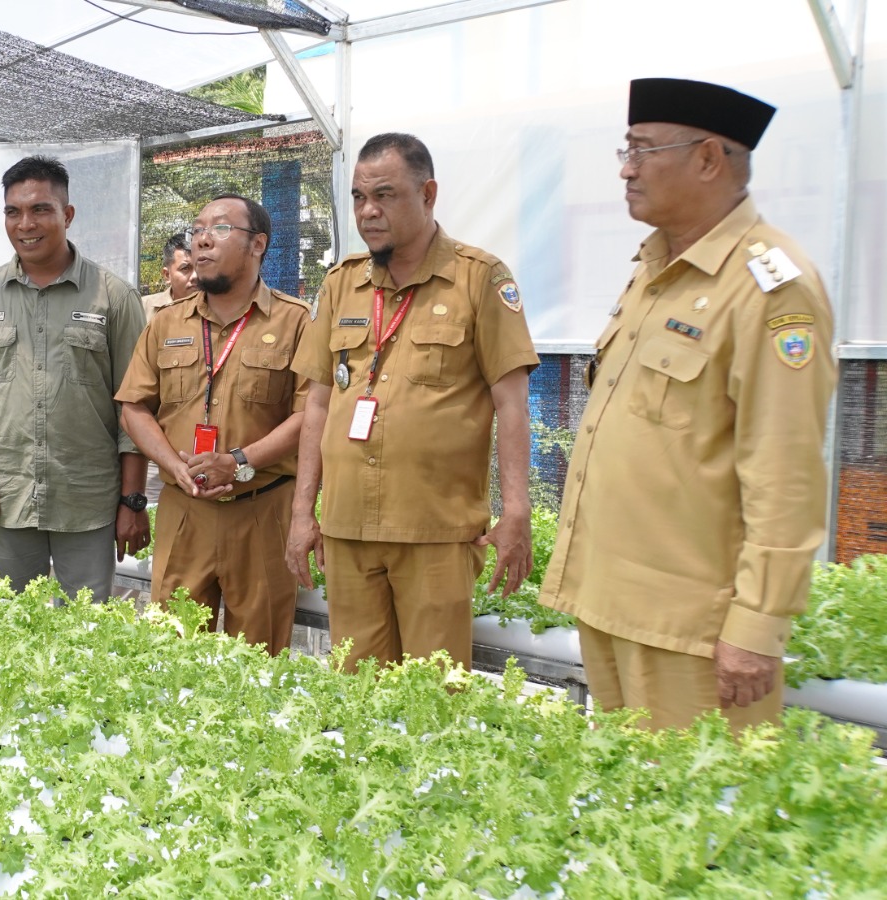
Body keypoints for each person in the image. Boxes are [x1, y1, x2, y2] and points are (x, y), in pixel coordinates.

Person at [538, 79, 836, 731]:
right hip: (614, 606)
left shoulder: (771, 286)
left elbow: (785, 473)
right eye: (626, 149)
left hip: (692, 632)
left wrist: (756, 627)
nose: (625, 168)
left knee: (697, 818)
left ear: (708, 160)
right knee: (630, 814)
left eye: (642, 150)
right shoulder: (653, 271)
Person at [286, 133, 540, 671]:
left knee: (435, 700)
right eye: (358, 197)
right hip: (348, 530)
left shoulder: (478, 279)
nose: (368, 211)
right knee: (358, 693)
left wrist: (517, 510)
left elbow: (512, 403)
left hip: (434, 533)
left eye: (385, 195)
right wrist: (302, 513)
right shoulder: (341, 284)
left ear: (428, 195)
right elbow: (316, 405)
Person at [0, 155, 150, 601]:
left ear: (67, 214)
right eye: (13, 212)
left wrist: (133, 500)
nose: (25, 224)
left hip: (88, 501)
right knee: (8, 633)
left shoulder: (113, 296)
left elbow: (135, 405)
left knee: (88, 633)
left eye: (40, 209)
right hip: (5, 497)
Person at [117, 195, 309, 654]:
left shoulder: (295, 321)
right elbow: (134, 407)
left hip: (262, 510)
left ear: (258, 244)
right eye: (197, 229)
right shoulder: (165, 324)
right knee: (173, 655)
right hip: (186, 511)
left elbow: (309, 416)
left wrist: (238, 462)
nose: (201, 239)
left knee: (259, 659)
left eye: (220, 229)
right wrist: (172, 464)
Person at [141, 231, 196, 321]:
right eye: (185, 268)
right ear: (167, 275)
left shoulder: (219, 309)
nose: (195, 276)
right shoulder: (144, 309)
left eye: (200, 267)